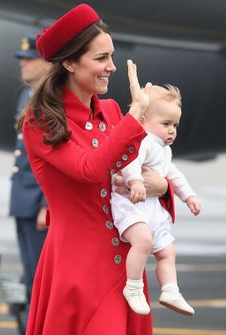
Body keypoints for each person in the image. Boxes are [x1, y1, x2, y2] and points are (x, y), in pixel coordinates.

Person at [17, 4, 173, 335]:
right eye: (101, 58)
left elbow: (146, 171)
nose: (112, 67)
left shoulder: (112, 112)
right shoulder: (41, 121)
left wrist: (163, 186)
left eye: (112, 57)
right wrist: (135, 117)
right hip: (79, 272)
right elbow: (89, 170)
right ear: (70, 62)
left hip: (126, 274)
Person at [111, 84, 201, 316]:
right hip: (131, 205)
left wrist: (188, 195)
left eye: (175, 125)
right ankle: (133, 287)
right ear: (142, 120)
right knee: (143, 242)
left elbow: (172, 173)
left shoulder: (162, 149)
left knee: (168, 251)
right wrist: (136, 181)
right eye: (166, 124)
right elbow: (130, 161)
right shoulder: (142, 142)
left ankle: (170, 290)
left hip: (150, 207)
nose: (172, 130)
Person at [9, 36, 51, 305]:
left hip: (39, 203)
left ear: (47, 62)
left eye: (30, 58)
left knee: (41, 277)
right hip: (23, 199)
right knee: (30, 275)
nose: (23, 63)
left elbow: (51, 157)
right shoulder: (27, 95)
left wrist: (48, 204)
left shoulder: (50, 99)